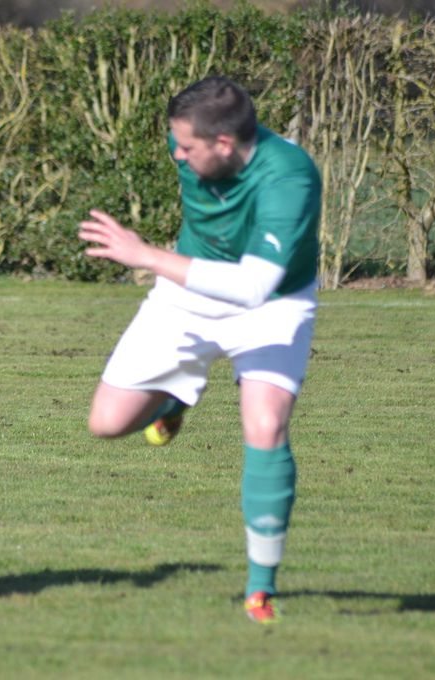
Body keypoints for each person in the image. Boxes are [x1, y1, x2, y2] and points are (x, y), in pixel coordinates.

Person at [78, 76, 320, 624]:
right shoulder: (191, 143)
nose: (178, 155)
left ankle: (262, 588)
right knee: (106, 424)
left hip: (272, 305)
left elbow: (255, 286)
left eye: (188, 148)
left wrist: (145, 255)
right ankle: (175, 400)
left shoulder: (289, 178)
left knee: (265, 427)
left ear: (225, 145)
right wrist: (160, 263)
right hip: (185, 298)